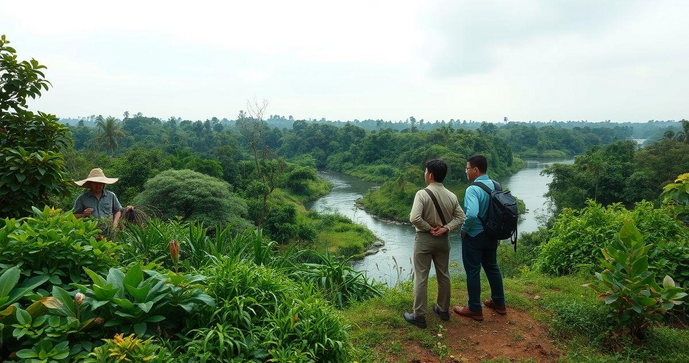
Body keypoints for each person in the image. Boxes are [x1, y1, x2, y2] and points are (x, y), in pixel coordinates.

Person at [404, 159, 465, 328]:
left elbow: (414, 218)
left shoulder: (422, 194)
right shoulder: (451, 195)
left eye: (425, 172)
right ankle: (443, 310)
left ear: (430, 175)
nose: (424, 174)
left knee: (421, 276)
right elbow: (461, 217)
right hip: (443, 241)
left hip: (424, 239)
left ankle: (419, 316)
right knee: (443, 275)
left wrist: (429, 228)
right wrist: (445, 228)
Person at [454, 154, 506, 321]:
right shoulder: (496, 185)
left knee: (473, 271)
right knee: (492, 267)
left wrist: (463, 230)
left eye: (467, 168)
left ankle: (474, 308)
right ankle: (499, 302)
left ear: (475, 170)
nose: (466, 172)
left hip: (474, 236)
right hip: (492, 235)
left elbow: (471, 214)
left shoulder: (472, 189)